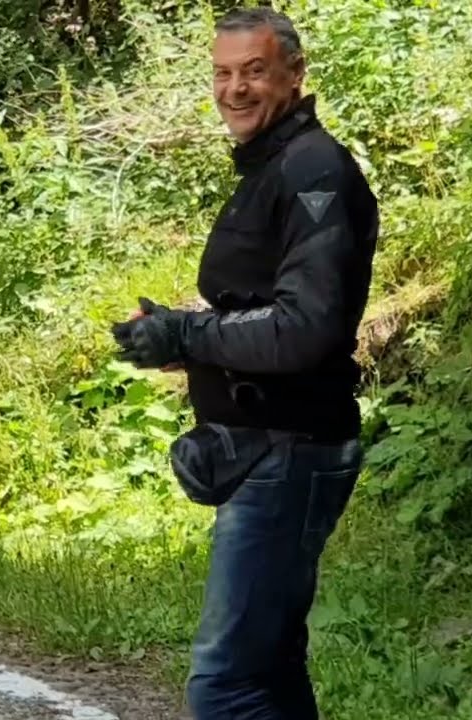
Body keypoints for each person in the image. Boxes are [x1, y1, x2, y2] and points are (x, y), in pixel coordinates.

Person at [110, 6, 379, 719]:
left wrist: (191, 336)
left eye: (254, 71)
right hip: (264, 449)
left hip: (290, 453)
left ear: (294, 73)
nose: (236, 88)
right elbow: (257, 312)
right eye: (223, 73)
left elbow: (304, 327)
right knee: (270, 672)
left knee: (225, 686)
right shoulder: (274, 167)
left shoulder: (314, 169)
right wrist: (169, 335)